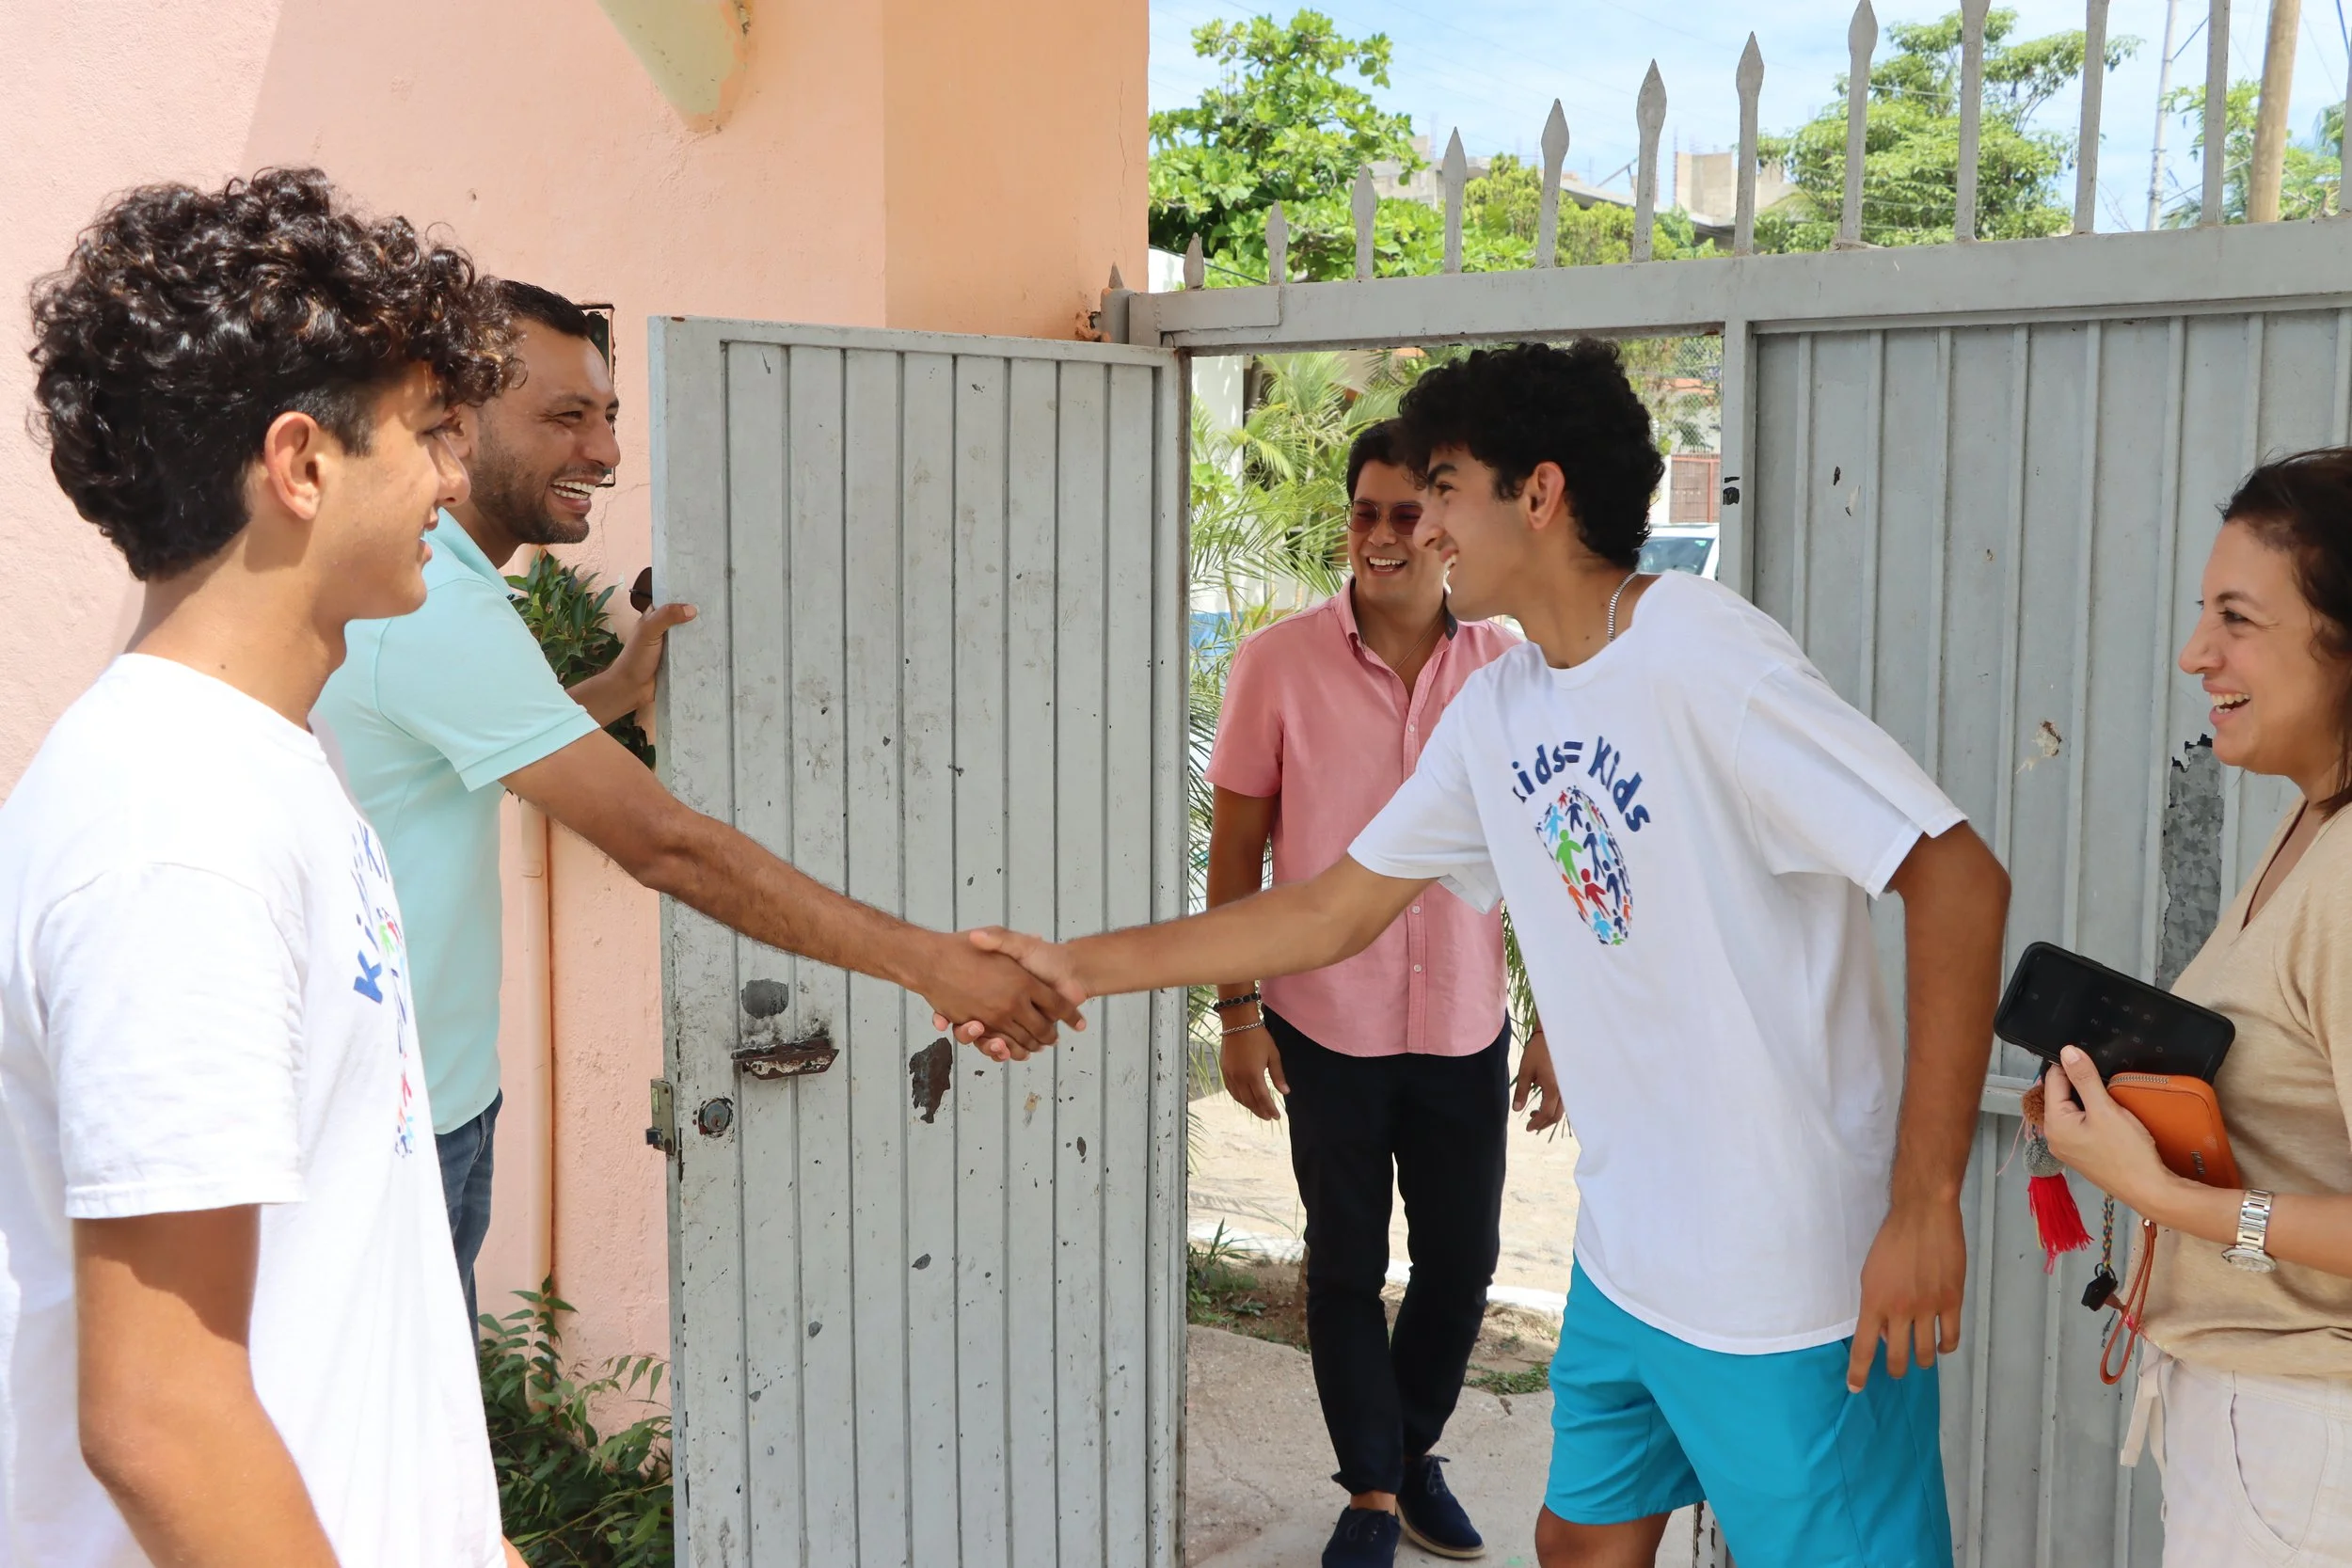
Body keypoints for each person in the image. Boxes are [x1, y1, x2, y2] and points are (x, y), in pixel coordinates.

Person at [964, 341, 2012, 1568]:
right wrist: (1079, 964)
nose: (1428, 524)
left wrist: (1925, 1201)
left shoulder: (1705, 655)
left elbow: (1955, 874)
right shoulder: (1502, 708)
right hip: (1628, 1256)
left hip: (1787, 1274)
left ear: (1540, 492)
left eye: (1446, 488)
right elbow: (1331, 909)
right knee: (1578, 1541)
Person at [314, 281, 1078, 1326]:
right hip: (390, 1130)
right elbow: (665, 845)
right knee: (379, 1432)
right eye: (565, 416)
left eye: (608, 414)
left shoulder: (436, 584)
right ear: (456, 419)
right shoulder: (433, 602)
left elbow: (454, 740)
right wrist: (931, 962)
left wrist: (609, 691)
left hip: (436, 1100)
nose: (605, 452)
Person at [1, 168, 519, 1566]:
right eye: (427, 432)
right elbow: (161, 1417)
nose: (453, 480)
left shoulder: (262, 767)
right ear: (301, 464)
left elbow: (343, 1308)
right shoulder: (175, 826)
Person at [1204, 419, 1559, 1566]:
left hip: (1461, 1022)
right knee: (1346, 1262)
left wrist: (1555, 1020)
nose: (1381, 534)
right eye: (1365, 512)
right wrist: (1237, 1010)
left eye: (1408, 512)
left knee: (1462, 1262)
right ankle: (1370, 1489)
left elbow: (1554, 851)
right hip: (1325, 1023)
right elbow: (1236, 853)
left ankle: (1407, 1454)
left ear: (1447, 529)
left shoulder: (1508, 668)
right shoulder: (1276, 663)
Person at [2042, 449, 2352, 1567]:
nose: (2195, 653)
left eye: (2238, 619)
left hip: (2305, 1440)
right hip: (2262, 1430)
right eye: (2200, 612)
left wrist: (2166, 1194)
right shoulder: (2309, 819)